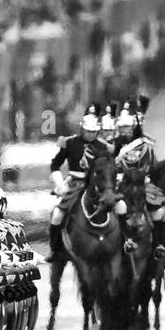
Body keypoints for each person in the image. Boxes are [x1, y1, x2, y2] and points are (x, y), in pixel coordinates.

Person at [47, 105, 117, 262]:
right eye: (88, 131)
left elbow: (110, 168)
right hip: (75, 185)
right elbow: (55, 165)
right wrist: (60, 183)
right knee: (57, 215)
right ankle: (55, 250)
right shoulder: (69, 143)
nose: (91, 135)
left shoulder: (105, 147)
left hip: (99, 186)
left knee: (120, 209)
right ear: (82, 129)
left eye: (94, 132)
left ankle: (125, 244)